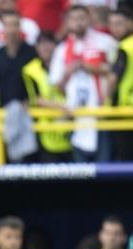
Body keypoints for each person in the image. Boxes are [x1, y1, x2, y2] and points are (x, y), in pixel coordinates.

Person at [49, 4, 117, 162]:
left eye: (82, 18)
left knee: (104, 169)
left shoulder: (105, 42)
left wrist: (93, 69)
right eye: (74, 19)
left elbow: (117, 71)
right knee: (81, 172)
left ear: (89, 19)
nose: (78, 22)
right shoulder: (62, 49)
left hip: (101, 115)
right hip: (75, 118)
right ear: (67, 22)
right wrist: (68, 73)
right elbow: (56, 87)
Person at [22, 33, 72, 162]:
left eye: (49, 43)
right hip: (45, 129)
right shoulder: (30, 70)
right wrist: (62, 107)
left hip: (70, 125)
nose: (45, 47)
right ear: (36, 47)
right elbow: (35, 98)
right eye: (41, 43)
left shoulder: (66, 65)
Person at [110, 8, 133, 161]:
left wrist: (106, 100)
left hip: (124, 109)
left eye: (119, 23)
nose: (115, 28)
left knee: (125, 159)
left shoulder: (125, 46)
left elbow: (114, 77)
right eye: (112, 24)